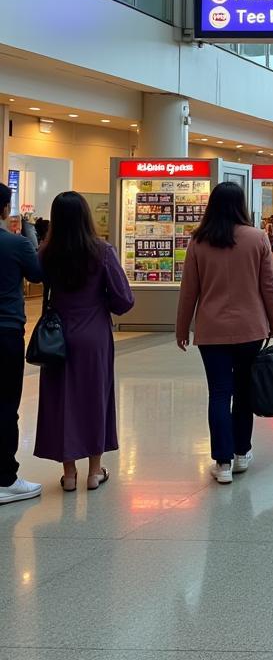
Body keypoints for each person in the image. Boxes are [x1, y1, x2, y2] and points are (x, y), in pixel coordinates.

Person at [177, 182, 273, 482]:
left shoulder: (199, 241)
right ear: (241, 204)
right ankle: (241, 453)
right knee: (244, 393)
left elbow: (189, 292)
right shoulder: (257, 238)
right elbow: (269, 288)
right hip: (251, 329)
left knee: (219, 393)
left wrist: (182, 328)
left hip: (212, 331)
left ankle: (222, 464)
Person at [34, 192, 134, 491]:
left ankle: (68, 474)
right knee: (95, 397)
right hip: (94, 335)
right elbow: (124, 300)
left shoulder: (45, 253)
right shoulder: (102, 251)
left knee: (62, 398)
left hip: (57, 335)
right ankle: (94, 471)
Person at [0, 182, 44, 505]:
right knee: (5, 405)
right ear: (5, 209)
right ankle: (5, 478)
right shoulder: (15, 245)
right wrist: (31, 236)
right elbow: (39, 274)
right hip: (6, 332)